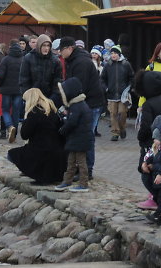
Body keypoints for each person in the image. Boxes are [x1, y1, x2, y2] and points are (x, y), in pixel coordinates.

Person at [59, 36, 105, 180]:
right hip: (84, 103)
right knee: (83, 135)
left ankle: (87, 171)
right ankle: (81, 169)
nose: (60, 53)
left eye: (61, 50)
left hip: (91, 103)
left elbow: (79, 86)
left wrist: (71, 105)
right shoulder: (73, 60)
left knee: (87, 136)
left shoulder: (81, 62)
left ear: (69, 48)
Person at [7, 88, 66, 184]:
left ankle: (36, 174)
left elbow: (24, 135)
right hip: (58, 153)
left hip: (41, 153)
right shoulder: (52, 110)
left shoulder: (33, 113)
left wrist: (25, 121)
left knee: (11, 154)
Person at [135, 71, 161, 210]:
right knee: (160, 168)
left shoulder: (148, 105)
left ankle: (154, 196)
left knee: (145, 169)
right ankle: (157, 196)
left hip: (150, 143)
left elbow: (146, 126)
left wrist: (140, 137)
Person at [54, 78, 94, 192]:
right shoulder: (78, 105)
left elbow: (72, 122)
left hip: (79, 139)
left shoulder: (77, 106)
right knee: (71, 162)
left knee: (81, 162)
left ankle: (83, 184)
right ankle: (67, 181)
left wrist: (63, 127)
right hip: (77, 139)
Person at [100, 45, 134, 141]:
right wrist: (106, 88)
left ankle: (122, 129)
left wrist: (129, 87)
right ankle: (115, 133)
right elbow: (102, 79)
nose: (113, 55)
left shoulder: (126, 64)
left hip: (123, 95)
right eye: (111, 53)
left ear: (119, 54)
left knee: (122, 113)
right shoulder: (108, 65)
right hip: (111, 94)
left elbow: (132, 77)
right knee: (113, 114)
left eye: (115, 53)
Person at [19, 34, 62, 106]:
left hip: (49, 99)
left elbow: (57, 81)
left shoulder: (55, 60)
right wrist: (28, 97)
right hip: (32, 99)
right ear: (39, 45)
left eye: (48, 45)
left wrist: (52, 99)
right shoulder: (28, 58)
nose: (46, 48)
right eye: (44, 45)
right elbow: (24, 80)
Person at [0, 41, 23, 143]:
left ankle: (9, 126)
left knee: (5, 110)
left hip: (6, 89)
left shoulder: (5, 60)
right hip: (19, 90)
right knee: (16, 112)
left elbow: (0, 75)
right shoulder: (23, 60)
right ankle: (14, 134)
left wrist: (0, 84)